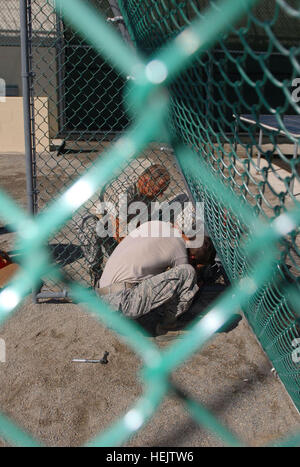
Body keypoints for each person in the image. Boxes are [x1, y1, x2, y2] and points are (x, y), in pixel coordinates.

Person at [97, 220, 218, 337]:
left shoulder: (160, 225)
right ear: (192, 257)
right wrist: (196, 276)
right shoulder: (180, 250)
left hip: (103, 298)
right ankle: (167, 327)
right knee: (188, 272)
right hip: (120, 303)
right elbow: (184, 283)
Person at [78, 164, 171, 286]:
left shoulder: (149, 195)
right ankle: (95, 272)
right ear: (146, 180)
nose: (160, 195)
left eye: (162, 191)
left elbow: (141, 226)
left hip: (115, 222)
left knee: (122, 257)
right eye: (159, 189)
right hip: (93, 214)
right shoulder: (124, 189)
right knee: (91, 230)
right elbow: (118, 229)